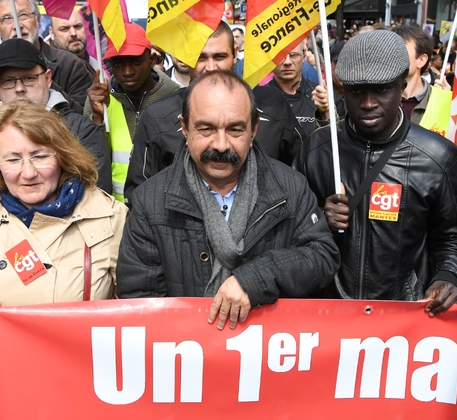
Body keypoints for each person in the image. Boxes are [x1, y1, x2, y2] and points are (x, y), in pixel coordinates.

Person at [116, 70, 339, 330]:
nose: (221, 145)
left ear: (253, 129)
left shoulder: (290, 188)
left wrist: (257, 278)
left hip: (270, 356)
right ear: (185, 128)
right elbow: (140, 300)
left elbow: (322, 257)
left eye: (235, 129)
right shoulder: (150, 201)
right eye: (206, 129)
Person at [296, 30, 457, 316]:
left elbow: (453, 237)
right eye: (356, 91)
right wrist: (318, 220)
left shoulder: (438, 157)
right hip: (327, 319)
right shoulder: (317, 149)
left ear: (402, 85)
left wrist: (449, 276)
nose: (367, 103)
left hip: (401, 324)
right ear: (343, 90)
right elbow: (290, 229)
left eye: (381, 90)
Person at [0, 102, 128, 306]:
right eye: (13, 160)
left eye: (40, 156)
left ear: (62, 154)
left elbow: (130, 309)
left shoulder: (111, 217)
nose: (28, 173)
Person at [125, 21, 305, 207]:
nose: (210, 67)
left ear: (235, 53)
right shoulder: (157, 117)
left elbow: (302, 171)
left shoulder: (273, 104)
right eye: (200, 58)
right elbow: (140, 198)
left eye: (219, 57)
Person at [0, 38, 112, 202]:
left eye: (29, 78)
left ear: (48, 78)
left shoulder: (81, 131)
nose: (19, 88)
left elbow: (97, 199)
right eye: (9, 81)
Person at [84, 23, 179, 202]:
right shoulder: (98, 99)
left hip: (163, 209)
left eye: (136, 62)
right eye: (118, 64)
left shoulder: (176, 98)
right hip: (113, 211)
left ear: (151, 60)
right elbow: (88, 159)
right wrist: (97, 119)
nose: (127, 72)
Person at [0, 0, 93, 112]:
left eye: (23, 15)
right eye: (6, 18)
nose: (17, 25)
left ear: (38, 21)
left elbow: (84, 117)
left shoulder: (70, 64)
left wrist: (42, 83)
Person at [268, 41, 345, 136]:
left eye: (294, 55)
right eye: (280, 55)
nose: (287, 62)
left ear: (304, 57)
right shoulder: (258, 99)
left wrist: (326, 114)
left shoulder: (326, 96)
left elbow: (339, 141)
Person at [393, 25, 450, 124]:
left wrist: (446, 102)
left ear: (421, 60)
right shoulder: (377, 99)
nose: (391, 57)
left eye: (400, 51)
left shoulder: (444, 100)